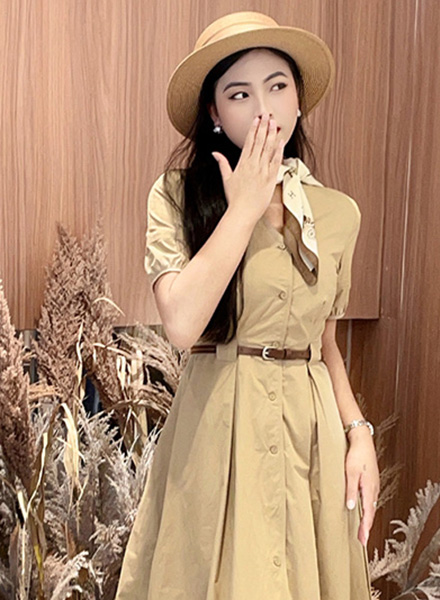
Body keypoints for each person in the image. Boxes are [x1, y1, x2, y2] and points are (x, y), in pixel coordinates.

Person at [115, 10, 380, 600]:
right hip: (219, 432)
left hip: (311, 438)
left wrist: (358, 434)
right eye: (239, 94)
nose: (264, 109)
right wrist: (243, 209)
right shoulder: (176, 196)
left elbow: (325, 345)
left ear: (299, 99)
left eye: (277, 86)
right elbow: (182, 325)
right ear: (214, 113)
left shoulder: (338, 213)